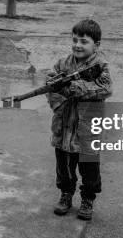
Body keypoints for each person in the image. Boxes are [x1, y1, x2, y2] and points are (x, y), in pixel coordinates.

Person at [46, 19, 112, 220]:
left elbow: (106, 88)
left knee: (89, 170)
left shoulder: (100, 66)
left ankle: (88, 199)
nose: (77, 45)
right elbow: (50, 86)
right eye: (75, 40)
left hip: (88, 131)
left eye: (84, 41)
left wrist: (79, 88)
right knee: (64, 168)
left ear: (96, 45)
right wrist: (58, 103)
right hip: (64, 128)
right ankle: (66, 194)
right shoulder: (63, 64)